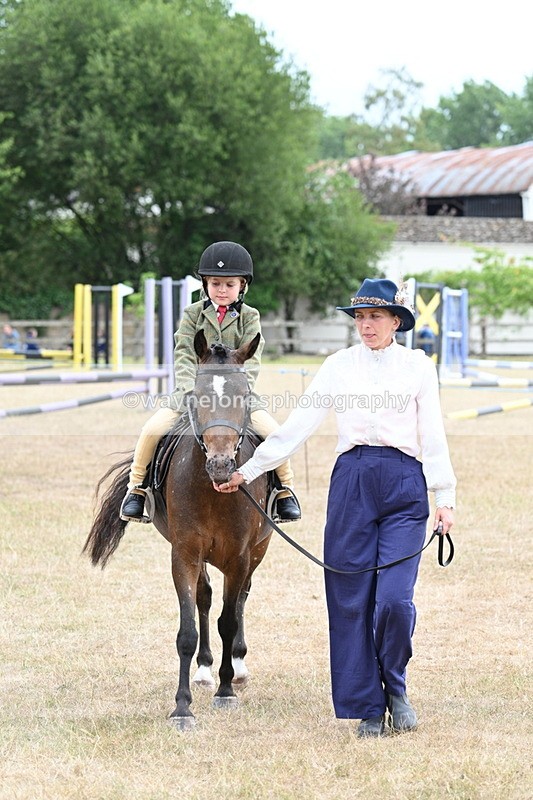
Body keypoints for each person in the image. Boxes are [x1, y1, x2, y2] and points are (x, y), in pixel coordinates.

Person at [214, 277, 456, 737]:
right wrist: (250, 469)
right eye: (360, 317)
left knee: (394, 602)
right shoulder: (338, 365)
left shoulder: (419, 368)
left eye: (375, 317)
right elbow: (299, 425)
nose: (366, 326)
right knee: (350, 599)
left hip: (405, 484)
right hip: (352, 483)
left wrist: (444, 497)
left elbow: (433, 434)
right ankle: (368, 707)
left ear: (396, 321)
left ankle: (395, 687)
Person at [120, 241, 301, 524]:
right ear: (205, 284)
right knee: (152, 429)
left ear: (242, 286)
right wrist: (190, 389)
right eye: (215, 283)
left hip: (236, 395)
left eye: (229, 284)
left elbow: (252, 358)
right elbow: (183, 352)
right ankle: (137, 489)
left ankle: (284, 491)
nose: (222, 290)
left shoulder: (250, 317)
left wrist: (239, 390)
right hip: (194, 393)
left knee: (272, 431)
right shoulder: (193, 314)